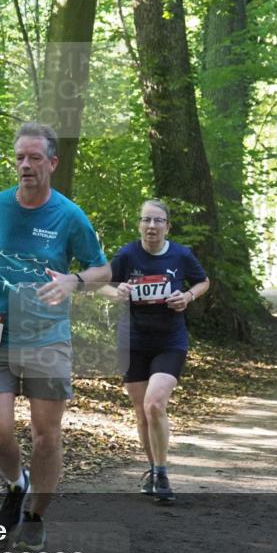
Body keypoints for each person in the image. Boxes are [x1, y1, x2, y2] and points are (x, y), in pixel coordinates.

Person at [0, 122, 111, 551]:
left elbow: (103, 270)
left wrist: (74, 281)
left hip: (46, 338)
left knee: (46, 436)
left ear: (52, 162)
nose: (25, 165)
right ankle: (16, 482)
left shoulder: (69, 216)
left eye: (34, 158)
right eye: (19, 158)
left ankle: (34, 516)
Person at [99, 200, 210, 503]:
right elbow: (102, 284)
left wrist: (187, 296)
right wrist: (117, 291)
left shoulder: (181, 255)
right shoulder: (127, 254)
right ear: (139, 224)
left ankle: (161, 472)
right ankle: (152, 468)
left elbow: (203, 282)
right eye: (146, 220)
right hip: (132, 341)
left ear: (167, 226)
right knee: (141, 411)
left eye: (158, 221)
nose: (151, 226)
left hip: (169, 340)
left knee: (154, 404)